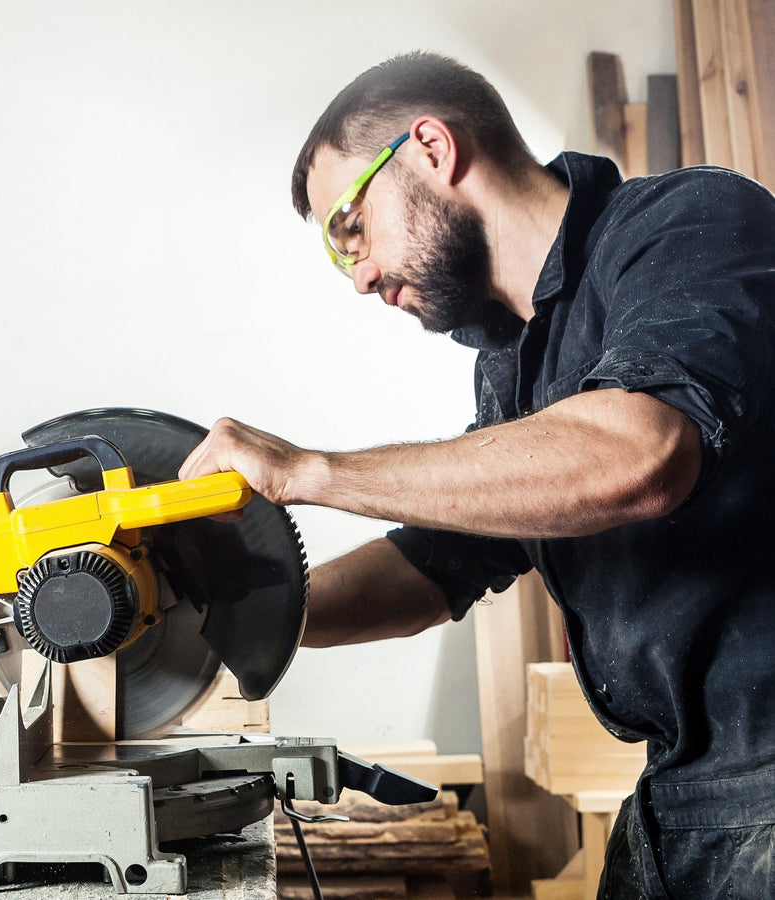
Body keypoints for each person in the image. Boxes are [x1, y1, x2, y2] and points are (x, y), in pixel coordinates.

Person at [178, 52, 775, 899]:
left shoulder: (687, 223)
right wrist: (221, 611)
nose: (359, 276)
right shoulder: (514, 361)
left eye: (351, 226)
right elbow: (438, 563)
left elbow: (639, 456)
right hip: (680, 794)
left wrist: (306, 471)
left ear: (432, 147)